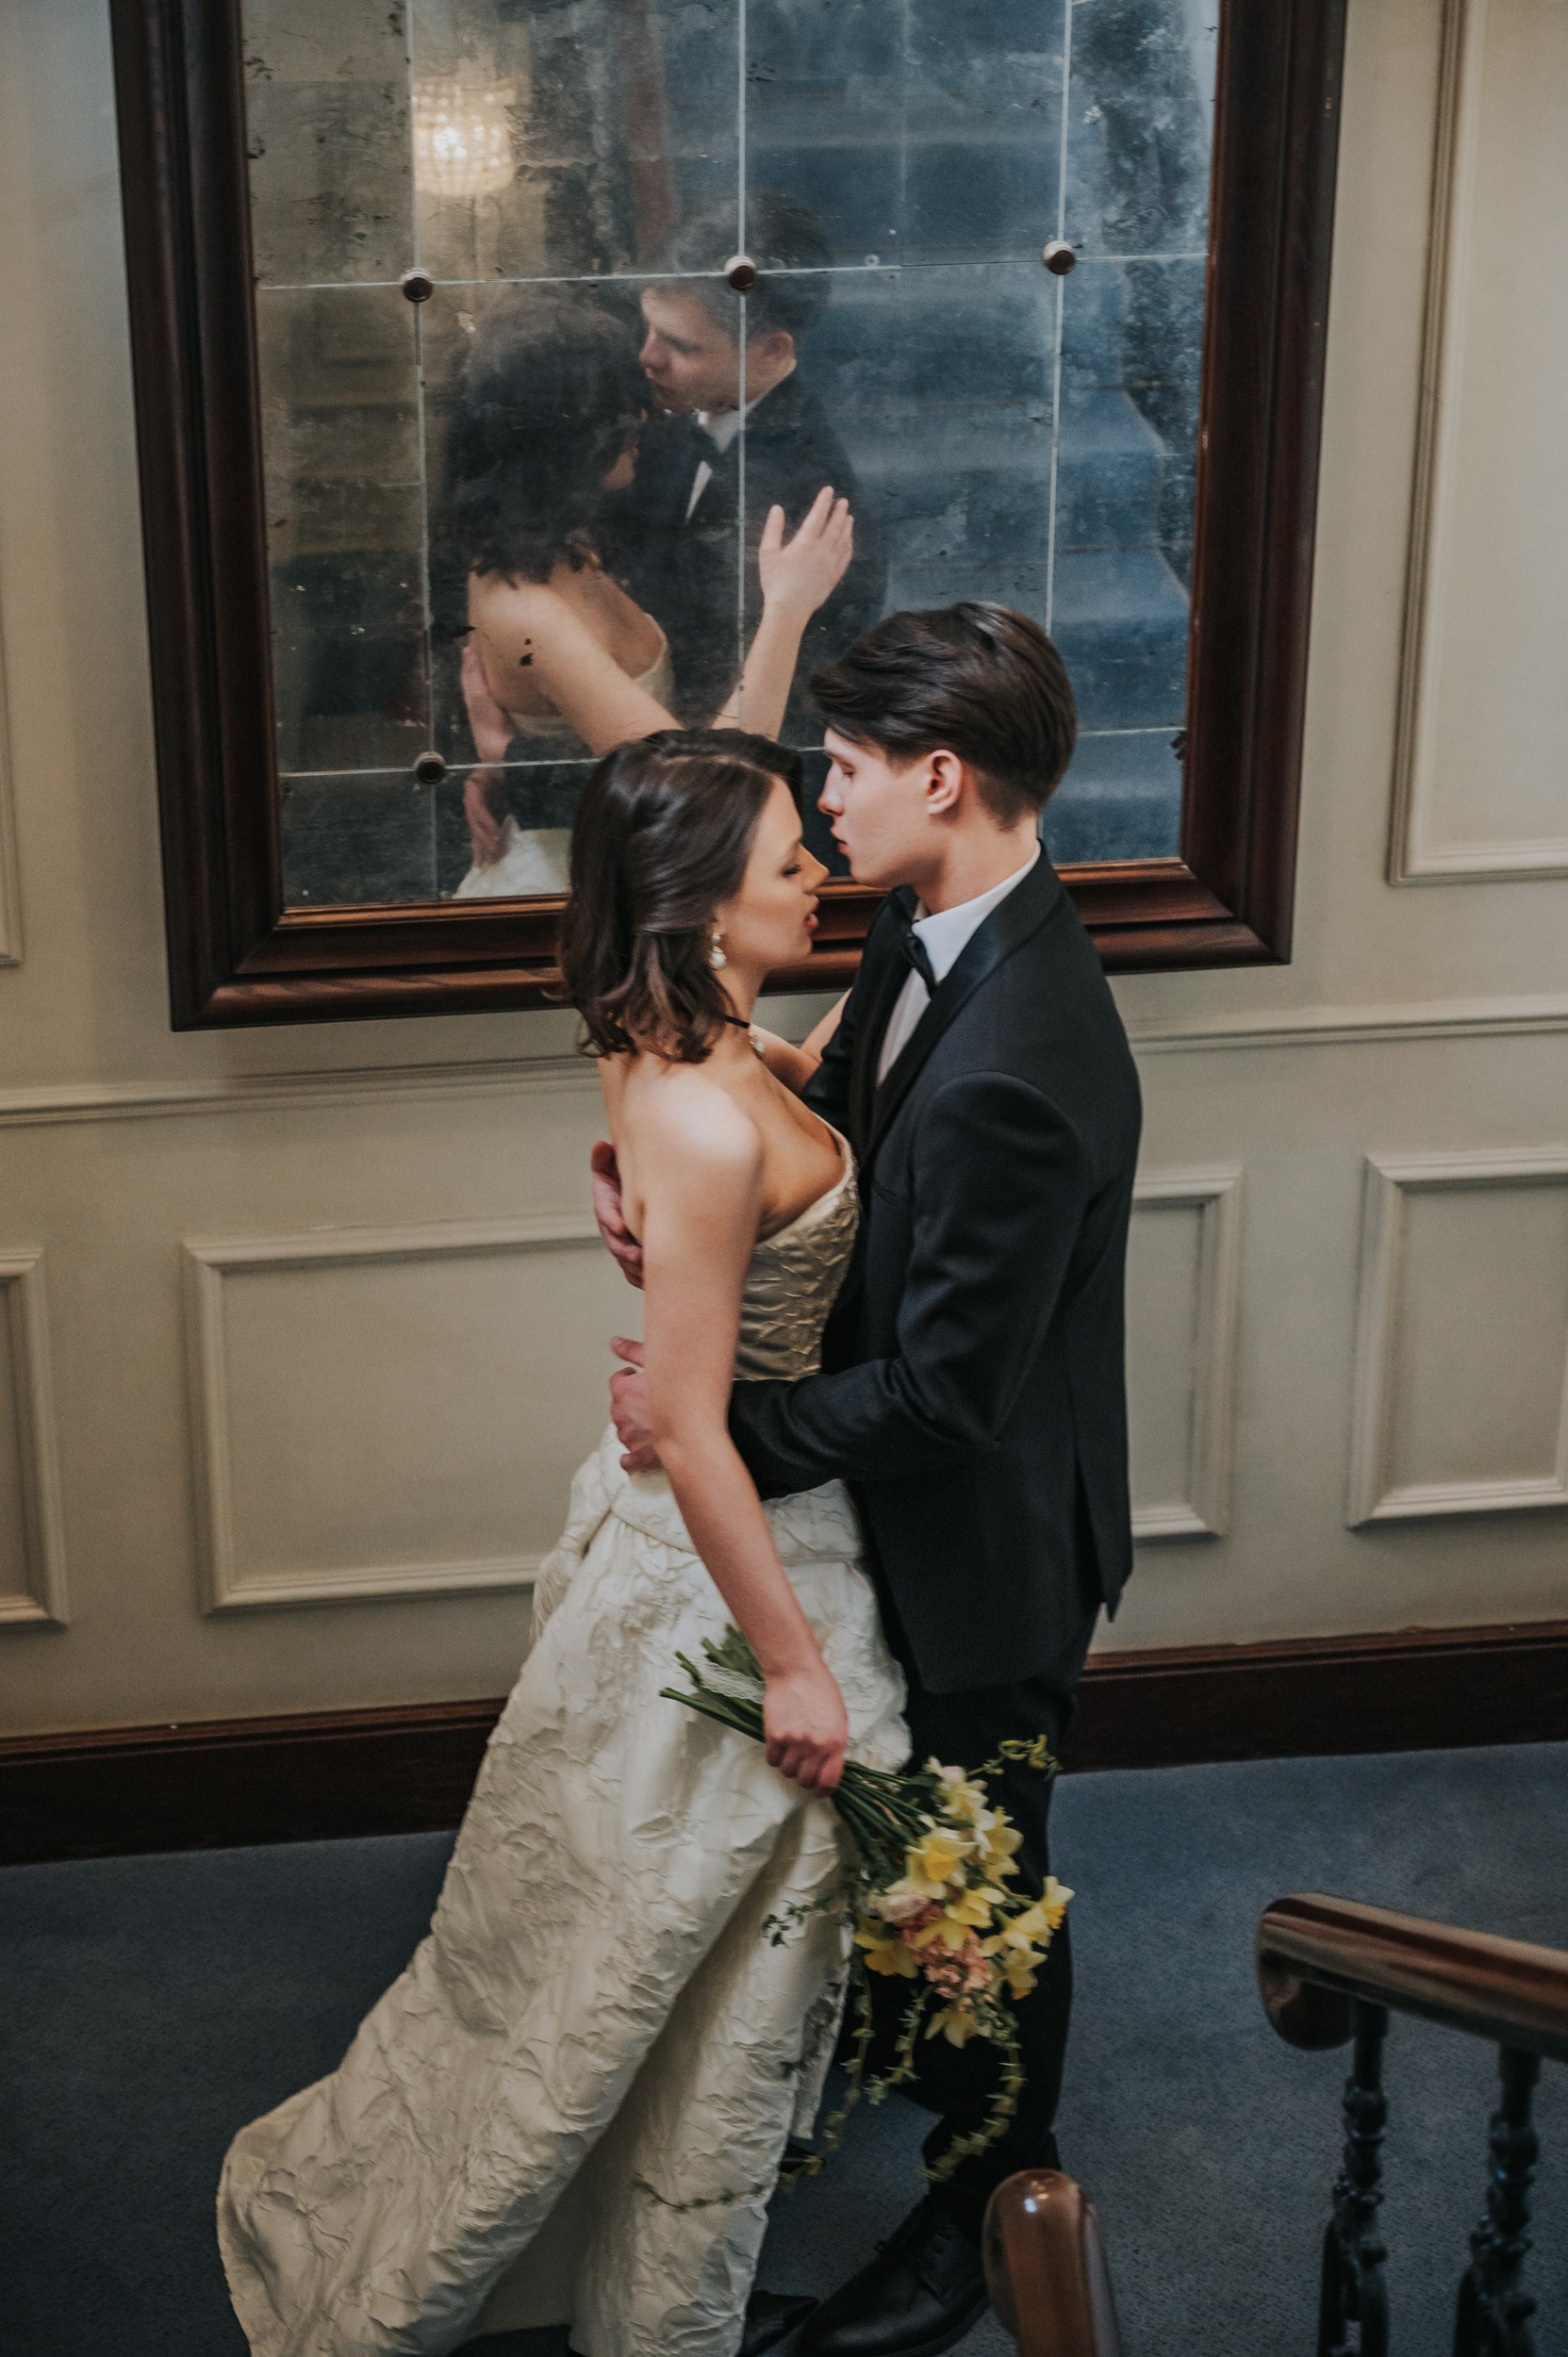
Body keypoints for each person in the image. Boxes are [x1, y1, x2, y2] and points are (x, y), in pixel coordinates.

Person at [217, 732, 908, 2357]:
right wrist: (792, 1670)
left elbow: (691, 849)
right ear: (705, 903)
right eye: (788, 861)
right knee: (662, 1941)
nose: (818, 873)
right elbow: (690, 1425)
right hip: (729, 1545)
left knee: (623, 1933)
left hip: (697, 1511)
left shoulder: (672, 1034)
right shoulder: (700, 1117)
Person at [598, 602, 1143, 2357]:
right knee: (909, 1868)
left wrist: (707, 1425)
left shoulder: (1021, 1064)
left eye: (840, 769)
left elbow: (946, 1396)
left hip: (983, 1544)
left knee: (987, 1892)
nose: (821, 800)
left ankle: (993, 2207)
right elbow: (840, 1121)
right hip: (890, 1495)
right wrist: (675, 1171)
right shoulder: (930, 922)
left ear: (940, 776)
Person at [447, 290, 853, 897]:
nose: (643, 415)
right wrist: (787, 610)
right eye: (618, 409)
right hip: (583, 888)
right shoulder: (527, 603)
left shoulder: (557, 540)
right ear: (570, 437)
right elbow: (696, 795)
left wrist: (515, 762)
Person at [615, 190, 886, 740]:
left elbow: (745, 727)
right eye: (649, 328)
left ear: (771, 350)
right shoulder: (666, 405)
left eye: (681, 346)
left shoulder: (806, 503)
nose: (647, 358)